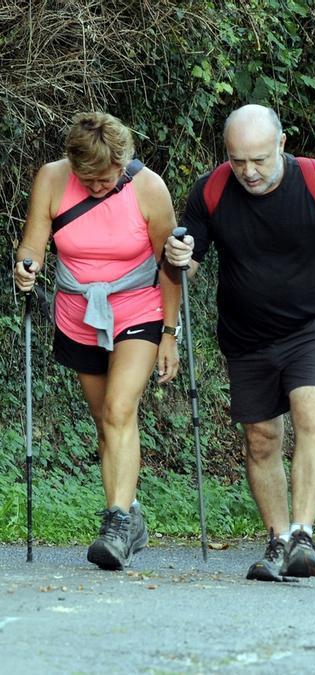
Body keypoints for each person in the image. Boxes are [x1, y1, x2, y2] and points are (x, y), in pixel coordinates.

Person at [164, 104, 315, 581]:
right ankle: (277, 540)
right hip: (247, 337)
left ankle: (303, 533)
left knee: (313, 415)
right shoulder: (213, 189)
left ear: (281, 144)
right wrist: (177, 256)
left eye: (258, 159)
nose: (249, 172)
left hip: (314, 327)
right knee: (260, 440)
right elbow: (185, 269)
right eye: (238, 161)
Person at [13, 112, 181, 571]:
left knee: (119, 410)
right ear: (72, 164)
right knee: (102, 417)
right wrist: (26, 268)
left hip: (138, 308)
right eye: (90, 180)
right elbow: (33, 245)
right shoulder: (51, 179)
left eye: (108, 179)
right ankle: (131, 512)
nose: (100, 187)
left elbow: (172, 266)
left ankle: (117, 523)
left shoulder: (149, 189)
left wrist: (170, 333)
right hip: (78, 312)